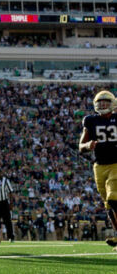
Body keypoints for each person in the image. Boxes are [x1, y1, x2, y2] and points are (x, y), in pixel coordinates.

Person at [78, 90, 117, 251]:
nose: (102, 105)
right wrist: (88, 145)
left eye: (106, 102)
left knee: (114, 197)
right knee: (108, 204)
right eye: (100, 102)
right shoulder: (90, 120)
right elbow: (81, 146)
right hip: (99, 166)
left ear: (113, 103)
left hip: (116, 164)